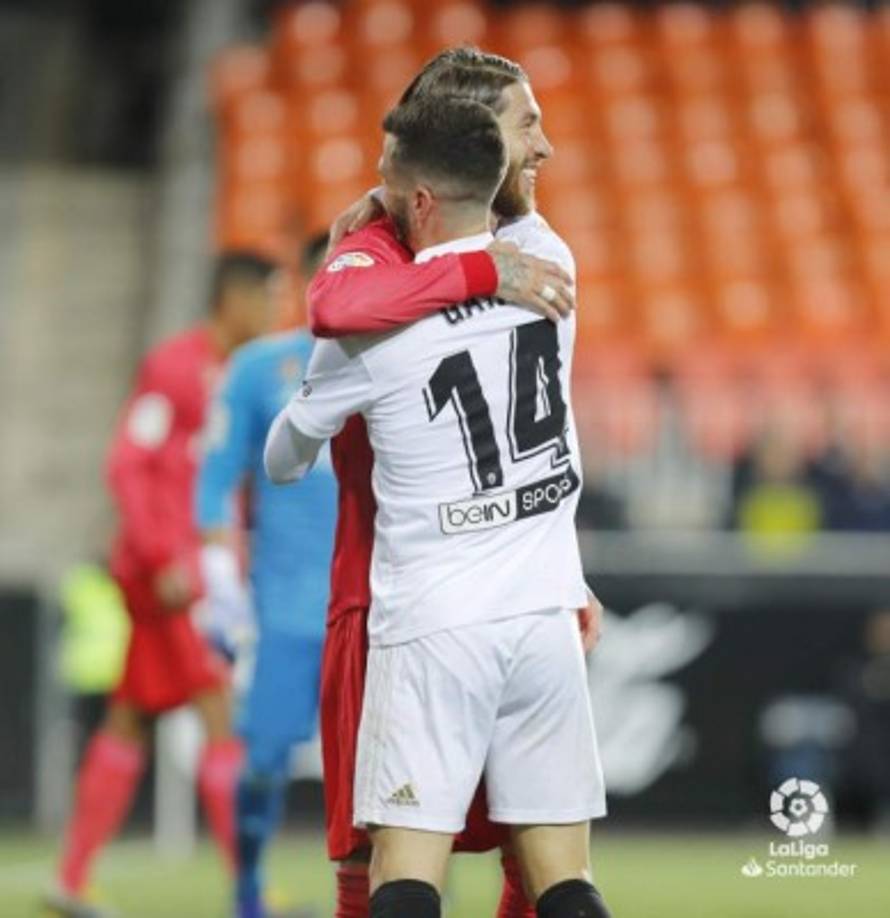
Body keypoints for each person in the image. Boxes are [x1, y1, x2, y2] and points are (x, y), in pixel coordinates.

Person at [265, 94, 608, 918]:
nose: (374, 192)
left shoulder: (373, 331)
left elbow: (285, 451)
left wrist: (370, 235)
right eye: (525, 129)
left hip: (429, 618)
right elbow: (495, 205)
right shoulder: (547, 263)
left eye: (388, 177)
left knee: (403, 867)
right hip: (542, 614)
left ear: (417, 195)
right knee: (561, 875)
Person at [46, 252, 279, 918]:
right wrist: (161, 556)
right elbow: (128, 462)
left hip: (191, 572)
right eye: (264, 298)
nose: (270, 312)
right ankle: (250, 893)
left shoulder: (245, 374)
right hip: (172, 575)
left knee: (129, 718)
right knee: (219, 715)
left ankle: (70, 879)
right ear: (232, 298)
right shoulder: (177, 366)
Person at [195, 235, 336, 918]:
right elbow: (216, 478)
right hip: (284, 611)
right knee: (261, 765)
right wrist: (220, 583)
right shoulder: (260, 370)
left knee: (401, 779)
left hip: (381, 612)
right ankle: (247, 893)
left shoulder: (406, 363)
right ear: (310, 285)